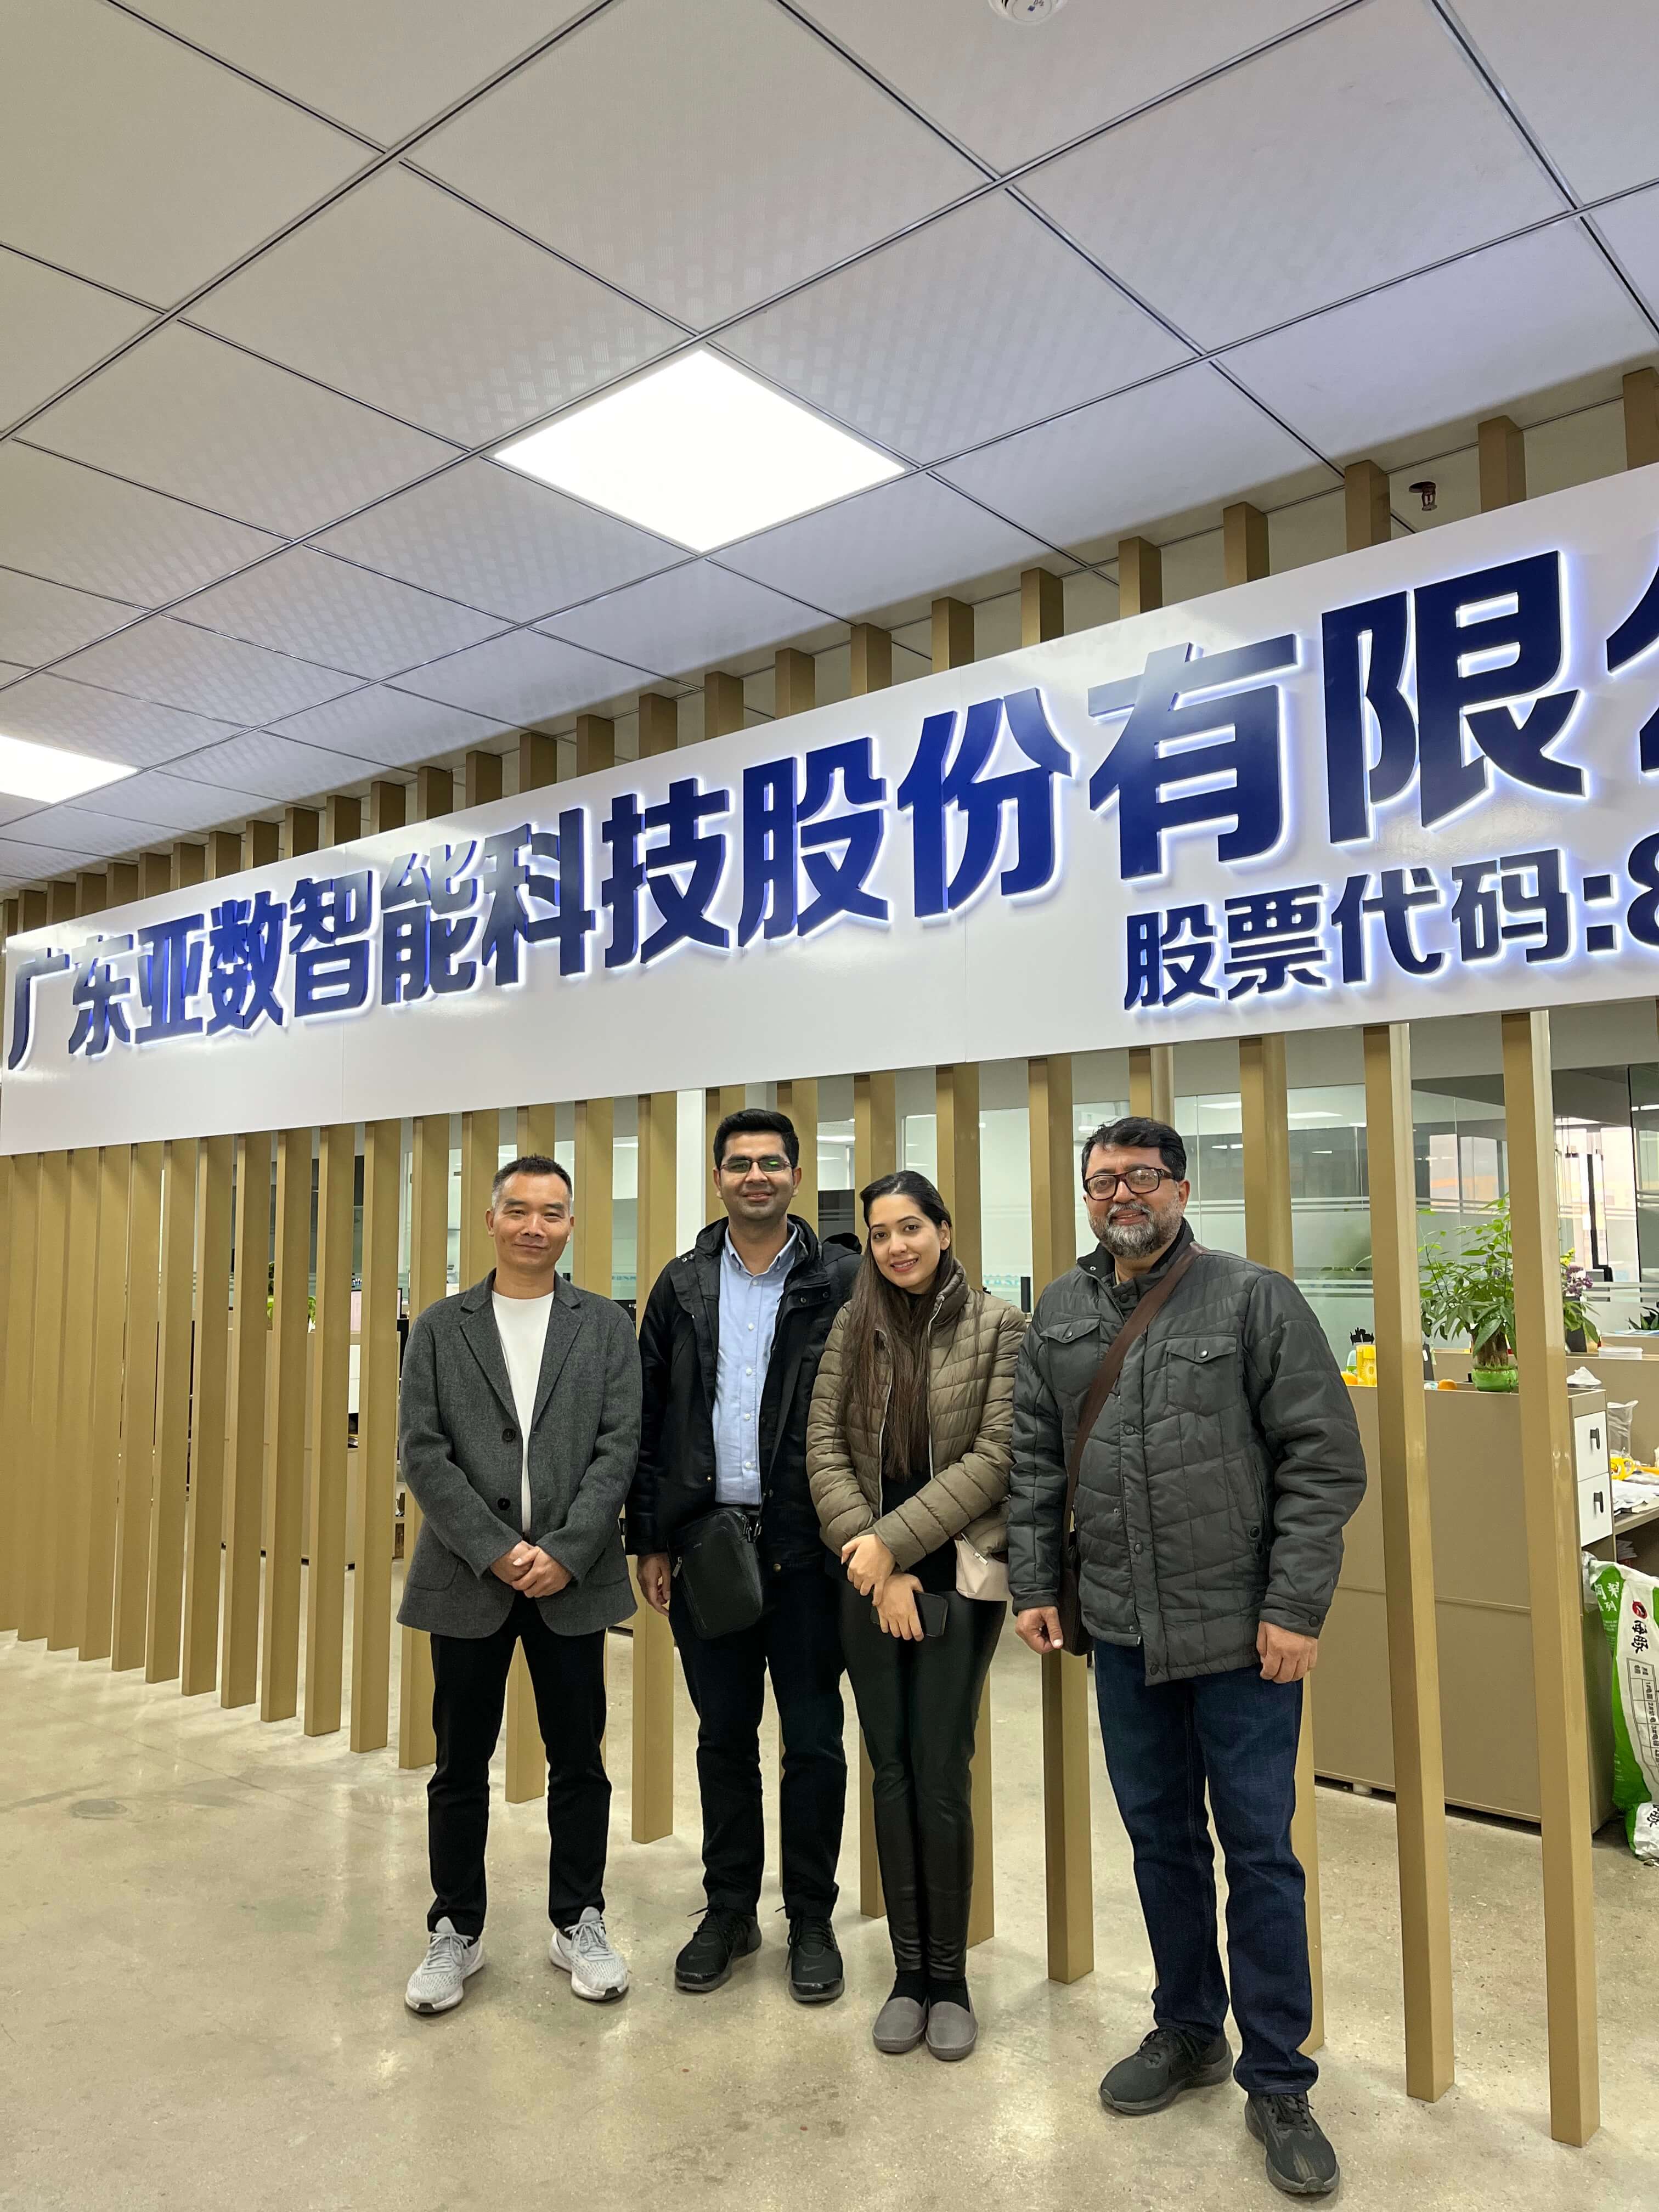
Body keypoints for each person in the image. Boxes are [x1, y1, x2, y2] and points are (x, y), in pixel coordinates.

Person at [1008, 1115, 1364, 2199]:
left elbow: (1322, 1459)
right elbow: (1035, 1460)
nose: (1123, 1195)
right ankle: (1188, 2029)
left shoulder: (1253, 1299)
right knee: (1161, 1843)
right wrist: (1036, 1585)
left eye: (1143, 1177)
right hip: (1121, 1633)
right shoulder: (1060, 1313)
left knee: (1259, 1854)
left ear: (1181, 1187)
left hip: (1241, 1637)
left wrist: (1294, 1608)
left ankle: (1280, 2079)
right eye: (1103, 1181)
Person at [398, 1154, 641, 2017]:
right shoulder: (441, 1326)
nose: (535, 1226)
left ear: (571, 1224)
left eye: (553, 1212)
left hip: (573, 1581)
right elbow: (423, 1451)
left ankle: (579, 1919)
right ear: (492, 1220)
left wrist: (567, 1550)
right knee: (459, 1763)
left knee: (580, 1760)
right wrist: (496, 1548)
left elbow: (620, 1447)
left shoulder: (604, 1325)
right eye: (520, 1210)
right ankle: (455, 1929)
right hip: (469, 1578)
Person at [629, 1108, 860, 2002]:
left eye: (771, 1163)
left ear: (796, 1176)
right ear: (719, 1178)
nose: (755, 1176)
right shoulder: (682, 1282)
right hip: (707, 1549)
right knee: (723, 1738)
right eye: (739, 1164)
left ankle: (811, 1916)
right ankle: (729, 1909)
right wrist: (650, 1536)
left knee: (814, 1741)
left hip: (808, 1548)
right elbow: (651, 1415)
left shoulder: (841, 1278)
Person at [807, 1171, 1026, 2064]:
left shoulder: (1000, 1327)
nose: (896, 1246)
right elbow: (823, 1448)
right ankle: (907, 1976)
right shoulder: (851, 1326)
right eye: (880, 1232)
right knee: (889, 1770)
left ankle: (951, 1979)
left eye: (911, 1227)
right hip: (866, 1581)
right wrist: (874, 1562)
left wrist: (893, 1548)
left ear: (944, 1229)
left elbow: (998, 1456)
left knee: (940, 1771)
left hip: (956, 1580)